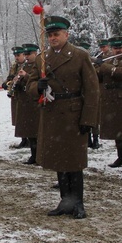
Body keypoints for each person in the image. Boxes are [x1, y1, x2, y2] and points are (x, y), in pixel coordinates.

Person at [27, 16, 100, 218]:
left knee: (74, 162)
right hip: (51, 113)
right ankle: (65, 201)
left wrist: (89, 119)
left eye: (56, 34)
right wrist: (37, 87)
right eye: (50, 35)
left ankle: (77, 202)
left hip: (73, 114)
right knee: (59, 160)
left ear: (66, 34)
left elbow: (92, 90)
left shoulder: (79, 56)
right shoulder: (43, 58)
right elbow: (30, 85)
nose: (53, 38)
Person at [94, 37, 122, 168]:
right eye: (115, 48)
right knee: (116, 129)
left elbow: (120, 73)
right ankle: (120, 156)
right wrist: (95, 67)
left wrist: (103, 65)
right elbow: (100, 76)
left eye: (120, 47)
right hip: (110, 98)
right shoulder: (109, 60)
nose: (117, 50)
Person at [12, 43, 41, 164]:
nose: (27, 56)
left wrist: (26, 76)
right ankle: (33, 155)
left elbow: (39, 82)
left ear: (35, 53)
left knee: (37, 131)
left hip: (34, 102)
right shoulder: (23, 66)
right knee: (29, 132)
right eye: (25, 54)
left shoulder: (39, 65)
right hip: (24, 102)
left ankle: (39, 156)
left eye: (29, 54)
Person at [4, 46, 27, 148]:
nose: (16, 58)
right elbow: (10, 77)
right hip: (15, 95)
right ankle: (23, 138)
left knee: (25, 117)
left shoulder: (27, 65)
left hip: (24, 95)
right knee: (18, 118)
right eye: (15, 55)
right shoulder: (14, 66)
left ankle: (28, 139)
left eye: (18, 55)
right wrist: (6, 83)